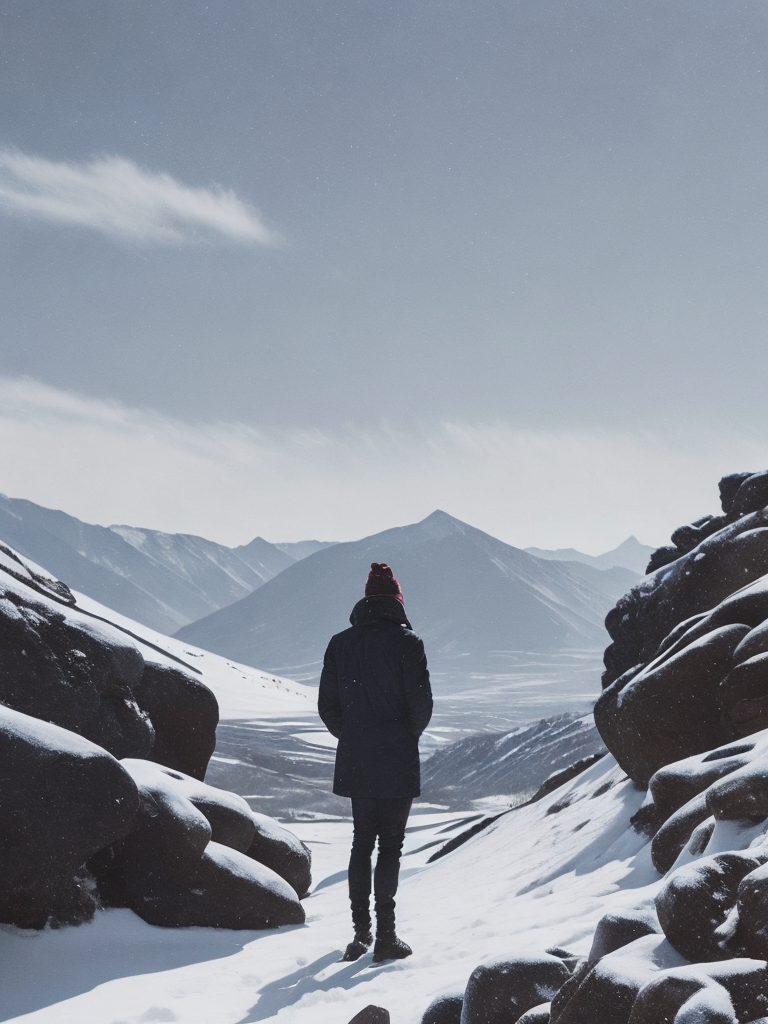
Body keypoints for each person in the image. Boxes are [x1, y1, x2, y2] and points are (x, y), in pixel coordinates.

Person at [318, 562, 433, 963]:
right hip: (396, 758)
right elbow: (421, 706)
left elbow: (327, 706)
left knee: (361, 842)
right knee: (391, 846)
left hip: (358, 758)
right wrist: (402, 738)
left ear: (367, 600)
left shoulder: (340, 643)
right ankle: (386, 937)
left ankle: (360, 933)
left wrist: (354, 738)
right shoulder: (408, 643)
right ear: (397, 601)